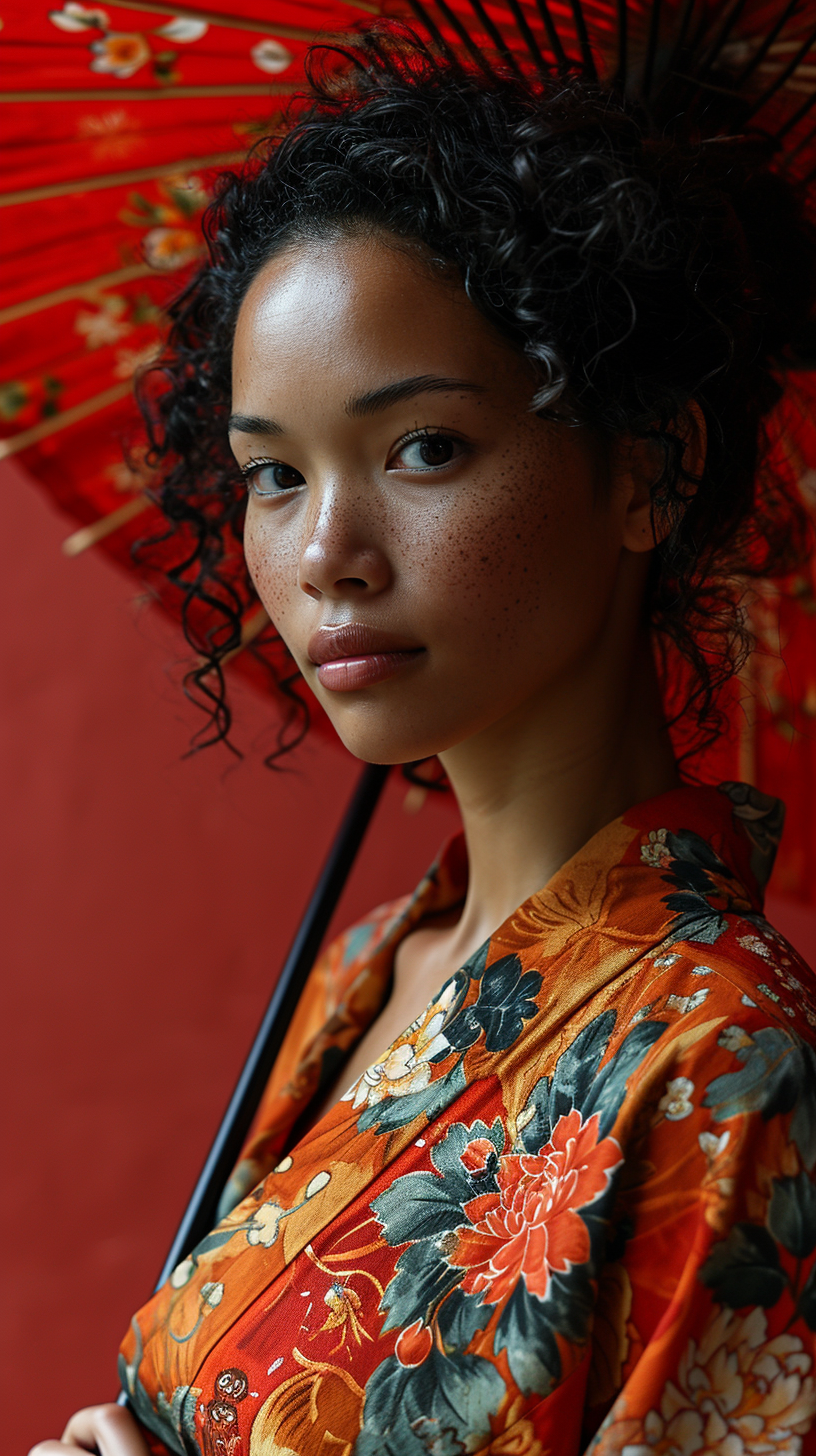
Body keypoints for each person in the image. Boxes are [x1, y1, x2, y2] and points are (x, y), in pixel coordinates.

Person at [30, 18, 816, 1456]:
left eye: (424, 449)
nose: (326, 550)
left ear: (650, 467)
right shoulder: (371, 965)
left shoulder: (727, 1059)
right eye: (273, 473)